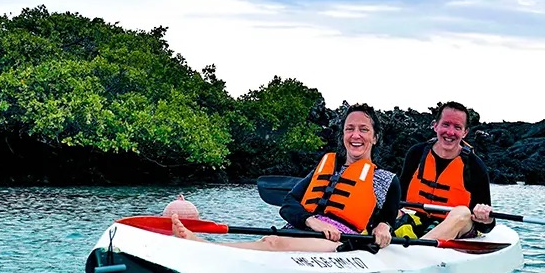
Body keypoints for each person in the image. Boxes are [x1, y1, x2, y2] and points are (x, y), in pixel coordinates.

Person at [172, 103, 398, 252]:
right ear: (343, 135)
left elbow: (388, 219)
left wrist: (384, 226)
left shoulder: (385, 179)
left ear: (375, 137)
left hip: (339, 240)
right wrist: (311, 220)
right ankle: (206, 246)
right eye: (349, 129)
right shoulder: (325, 168)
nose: (355, 135)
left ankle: (203, 246)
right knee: (268, 241)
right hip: (300, 229)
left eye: (363, 129)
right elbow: (289, 204)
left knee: (272, 242)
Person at [394, 101, 494, 241]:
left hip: (456, 228)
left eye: (457, 127)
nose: (450, 132)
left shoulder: (475, 166)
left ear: (465, 132)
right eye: (446, 124)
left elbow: (487, 227)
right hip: (416, 222)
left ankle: (420, 245)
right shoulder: (416, 153)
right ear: (435, 126)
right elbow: (398, 198)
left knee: (463, 212)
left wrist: (486, 217)